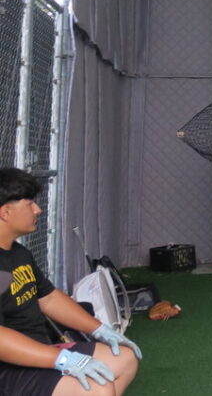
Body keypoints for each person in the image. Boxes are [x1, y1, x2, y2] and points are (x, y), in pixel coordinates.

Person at [0, 167, 141, 394]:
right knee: (97, 388)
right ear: (6, 212)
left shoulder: (18, 253)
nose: (38, 210)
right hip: (9, 366)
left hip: (37, 351)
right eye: (30, 204)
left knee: (124, 359)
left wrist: (100, 329)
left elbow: (48, 298)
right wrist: (61, 359)